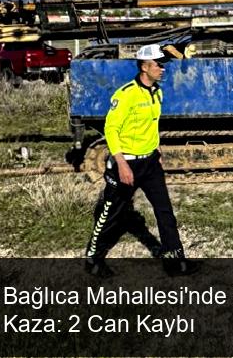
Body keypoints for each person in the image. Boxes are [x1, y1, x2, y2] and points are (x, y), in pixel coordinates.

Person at [84, 44, 200, 278]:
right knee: (112, 213)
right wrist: (122, 163)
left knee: (164, 211)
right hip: (125, 163)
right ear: (145, 67)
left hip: (150, 164)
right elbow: (111, 128)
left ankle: (175, 262)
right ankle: (93, 258)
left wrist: (157, 149)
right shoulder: (125, 94)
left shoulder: (157, 92)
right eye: (158, 64)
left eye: (163, 64)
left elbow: (152, 123)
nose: (162, 69)